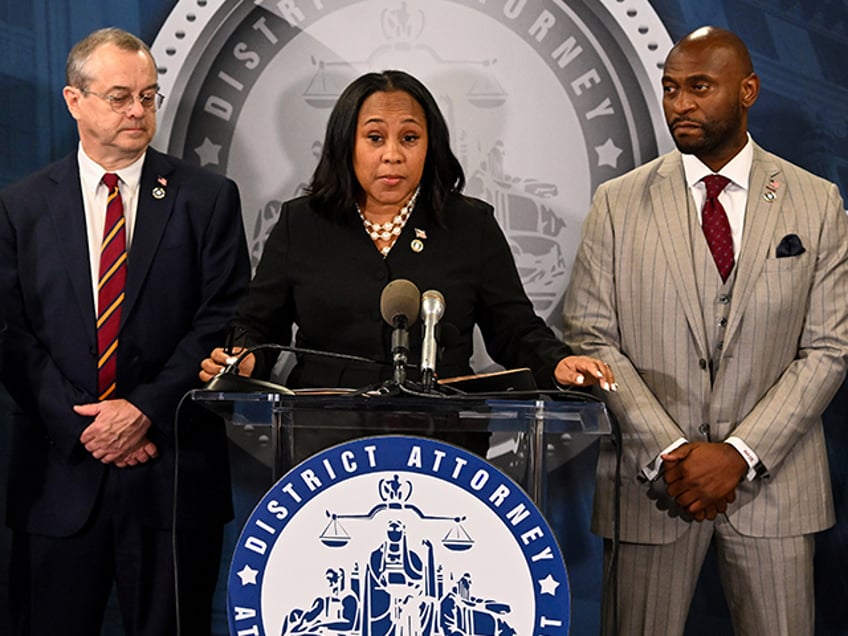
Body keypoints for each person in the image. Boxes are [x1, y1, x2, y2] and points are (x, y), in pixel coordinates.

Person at [563, 26, 848, 635]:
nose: (680, 104)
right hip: (651, 483)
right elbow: (590, 336)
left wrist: (739, 456)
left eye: (699, 87)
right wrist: (673, 453)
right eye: (670, 89)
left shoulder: (817, 202)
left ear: (748, 90)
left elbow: (827, 349)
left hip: (776, 490)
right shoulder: (616, 202)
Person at [0, 28, 250, 635]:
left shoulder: (208, 199)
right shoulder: (21, 207)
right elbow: (11, 335)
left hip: (171, 476)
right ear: (73, 100)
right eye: (119, 97)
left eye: (149, 96)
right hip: (60, 480)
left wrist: (142, 410)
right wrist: (87, 427)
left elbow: (223, 317)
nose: (139, 112)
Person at [199, 69, 615, 432]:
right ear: (347, 144)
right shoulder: (302, 223)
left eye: (410, 137)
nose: (392, 155)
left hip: (443, 435)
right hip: (323, 433)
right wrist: (244, 359)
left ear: (430, 145)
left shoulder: (471, 225)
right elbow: (256, 326)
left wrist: (557, 364)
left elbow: (515, 329)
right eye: (375, 137)